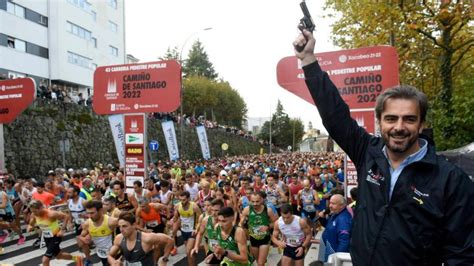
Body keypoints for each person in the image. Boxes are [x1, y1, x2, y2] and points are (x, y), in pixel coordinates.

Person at [293, 29, 474, 265]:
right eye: (391, 119)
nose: (399, 127)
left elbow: (462, 255)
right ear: (379, 122)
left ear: (422, 125)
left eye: (409, 119)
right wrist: (308, 60)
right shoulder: (368, 152)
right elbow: (335, 115)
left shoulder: (451, 180)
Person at [27, 200, 83, 266]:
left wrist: (62, 230)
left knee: (45, 260)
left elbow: (66, 216)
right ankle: (77, 258)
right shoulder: (34, 215)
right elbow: (31, 224)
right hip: (47, 238)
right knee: (59, 256)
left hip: (56, 236)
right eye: (32, 211)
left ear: (41, 208)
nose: (34, 213)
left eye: (35, 211)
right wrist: (30, 227)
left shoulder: (51, 214)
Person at [107, 212, 174, 265]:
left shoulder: (147, 238)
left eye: (124, 226)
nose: (121, 230)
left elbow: (170, 241)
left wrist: (164, 259)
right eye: (120, 227)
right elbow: (110, 255)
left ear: (134, 225)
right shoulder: (119, 238)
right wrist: (114, 263)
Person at [239, 191, 278, 266]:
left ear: (261, 200)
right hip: (253, 239)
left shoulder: (268, 210)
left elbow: (276, 223)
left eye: (257, 201)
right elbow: (241, 222)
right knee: (258, 261)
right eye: (252, 201)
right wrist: (241, 226)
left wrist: (268, 226)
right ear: (250, 200)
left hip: (265, 239)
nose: (255, 204)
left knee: (260, 263)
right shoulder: (247, 209)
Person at [79, 200, 118, 266]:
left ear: (100, 211)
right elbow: (80, 237)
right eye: (88, 213)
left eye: (92, 213)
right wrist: (85, 240)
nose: (89, 216)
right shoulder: (87, 224)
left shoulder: (111, 221)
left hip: (114, 254)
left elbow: (129, 227)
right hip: (101, 253)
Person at [318, 194, 352, 262]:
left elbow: (344, 242)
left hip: (333, 252)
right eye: (330, 203)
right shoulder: (336, 212)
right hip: (328, 247)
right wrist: (322, 218)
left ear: (342, 205)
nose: (330, 205)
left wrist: (336, 259)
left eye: (333, 203)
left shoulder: (343, 220)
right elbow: (329, 226)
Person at [191, 198, 224, 265]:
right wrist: (196, 246)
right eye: (212, 210)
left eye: (216, 210)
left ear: (222, 210)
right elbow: (200, 234)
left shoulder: (226, 222)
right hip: (211, 249)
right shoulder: (206, 220)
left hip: (224, 252)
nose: (214, 213)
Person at [172, 190, 201, 266]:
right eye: (180, 200)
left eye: (184, 200)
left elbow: (201, 218)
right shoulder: (178, 206)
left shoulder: (194, 206)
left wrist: (197, 229)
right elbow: (175, 219)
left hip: (192, 231)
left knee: (188, 251)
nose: (182, 202)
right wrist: (175, 213)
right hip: (184, 231)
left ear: (188, 199)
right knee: (190, 253)